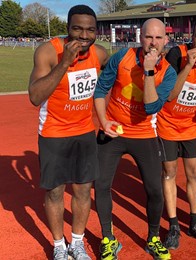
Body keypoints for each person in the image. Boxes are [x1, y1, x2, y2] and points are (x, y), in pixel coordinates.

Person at [28, 5, 109, 260]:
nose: (83, 35)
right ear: (67, 29)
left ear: (96, 32)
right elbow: (35, 96)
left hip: (84, 131)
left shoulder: (100, 53)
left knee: (84, 190)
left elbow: (113, 78)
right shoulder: (48, 52)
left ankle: (76, 242)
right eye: (77, 29)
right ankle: (59, 246)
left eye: (89, 30)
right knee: (54, 192)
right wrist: (64, 62)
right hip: (53, 131)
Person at [93, 18, 177, 260]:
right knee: (101, 186)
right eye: (149, 37)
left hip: (144, 134)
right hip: (114, 131)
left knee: (154, 190)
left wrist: (149, 71)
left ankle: (153, 238)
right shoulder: (122, 57)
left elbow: (151, 107)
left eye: (158, 38)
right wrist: (103, 121)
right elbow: (100, 91)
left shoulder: (168, 73)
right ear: (141, 37)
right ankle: (108, 238)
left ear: (166, 40)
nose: (153, 42)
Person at [156, 16, 196, 249]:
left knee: (194, 174)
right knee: (169, 173)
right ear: (192, 36)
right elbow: (171, 94)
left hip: (192, 126)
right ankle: (174, 225)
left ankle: (195, 222)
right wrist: (188, 66)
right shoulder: (177, 54)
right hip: (167, 123)